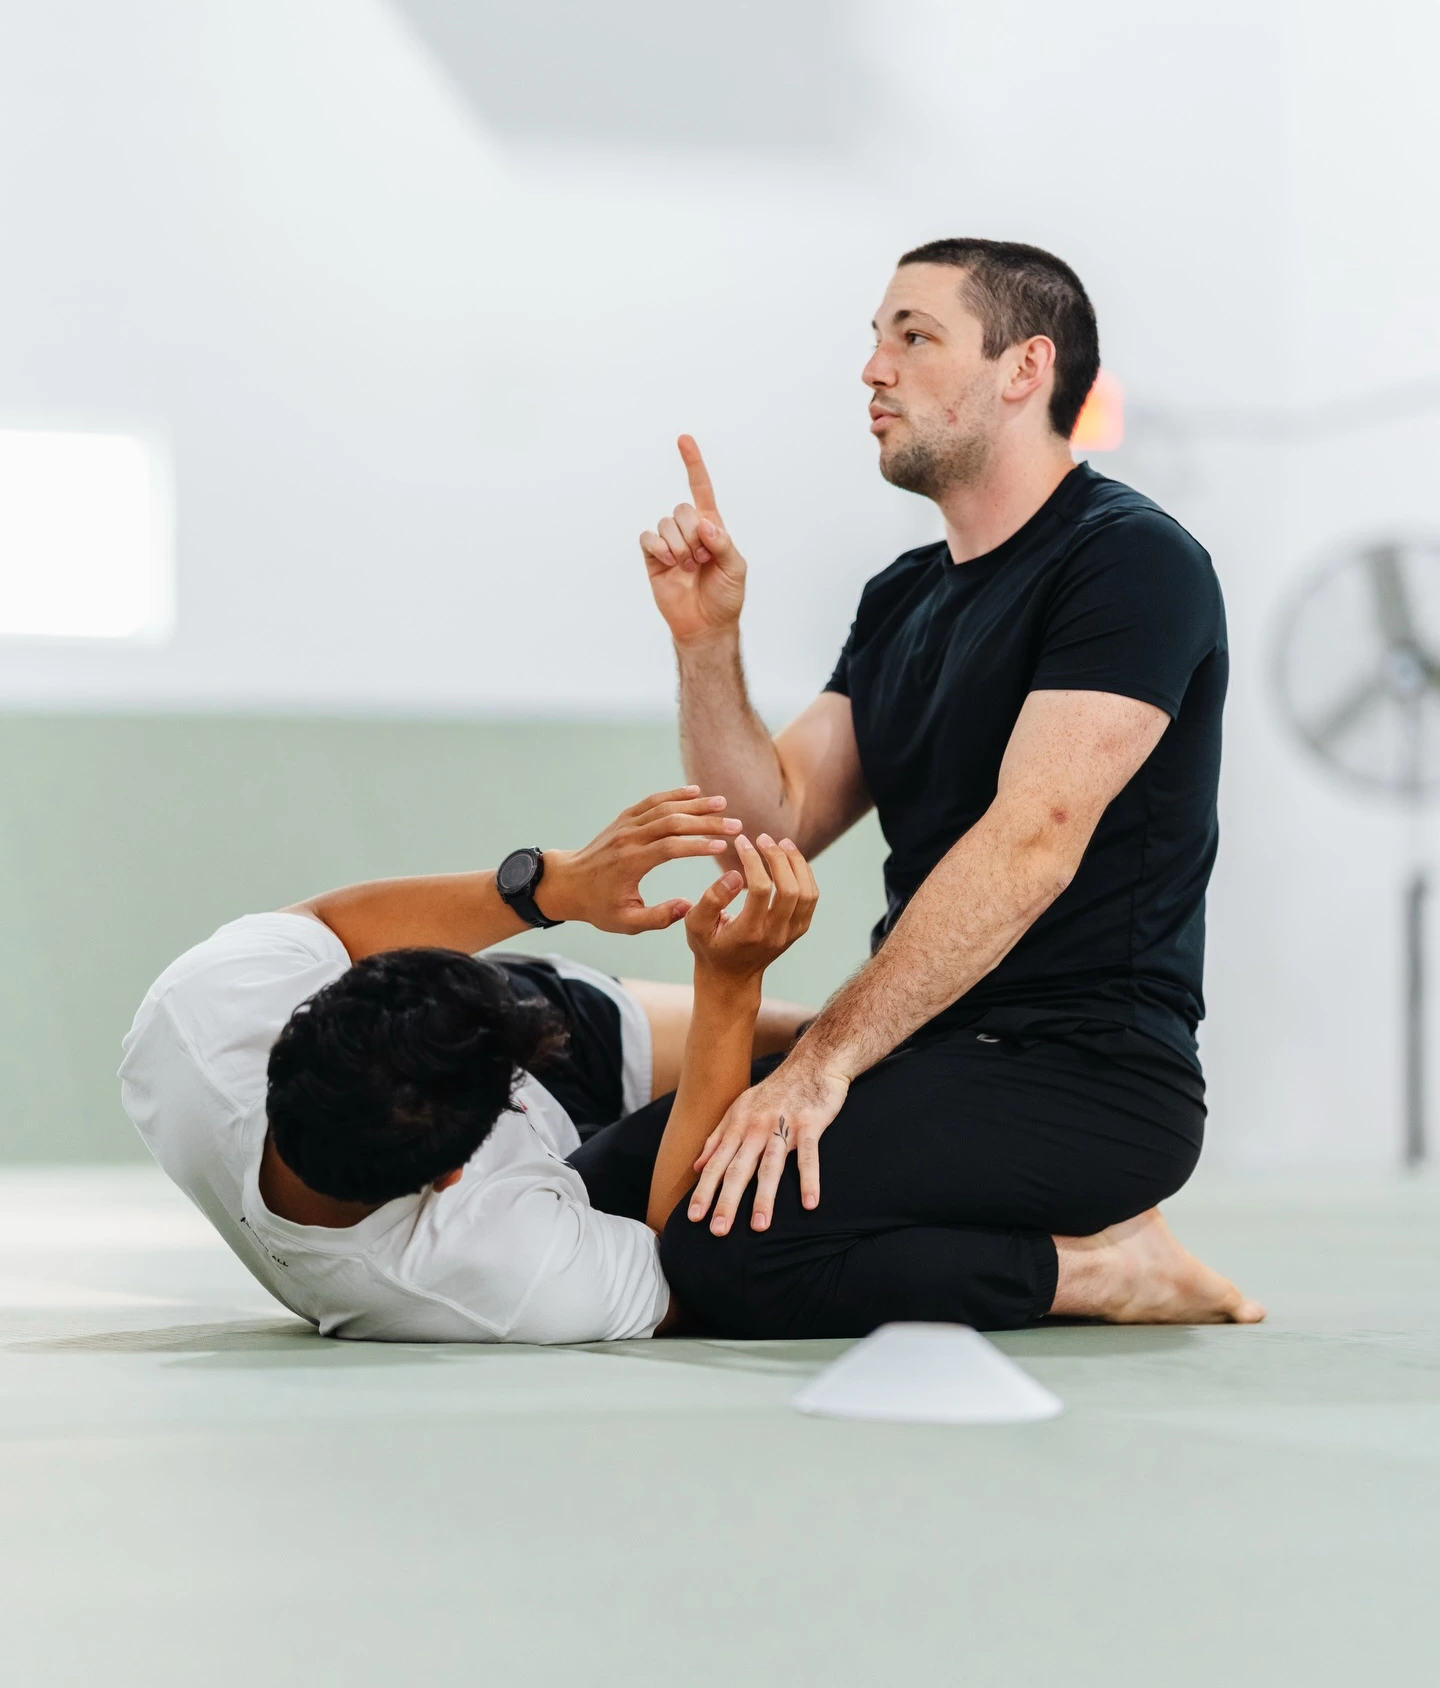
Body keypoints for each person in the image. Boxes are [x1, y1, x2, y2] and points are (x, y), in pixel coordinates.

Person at [627, 237, 1264, 1335]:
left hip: (1089, 1073)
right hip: (929, 1054)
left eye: (913, 337)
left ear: (1024, 369)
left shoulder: (1130, 562)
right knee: (613, 1207)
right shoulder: (901, 598)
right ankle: (1073, 1252)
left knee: (711, 1255)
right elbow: (769, 823)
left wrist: (820, 1060)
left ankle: (1110, 1273)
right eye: (874, 340)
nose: (873, 370)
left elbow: (1031, 844)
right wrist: (704, 642)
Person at [120, 787, 816, 1343]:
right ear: (455, 1173)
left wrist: (552, 888)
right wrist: (726, 992)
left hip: (479, 1058)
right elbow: (696, 1270)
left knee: (816, 1036)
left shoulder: (198, 1016)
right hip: (563, 1173)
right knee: (802, 1085)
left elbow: (333, 930)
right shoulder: (491, 1272)